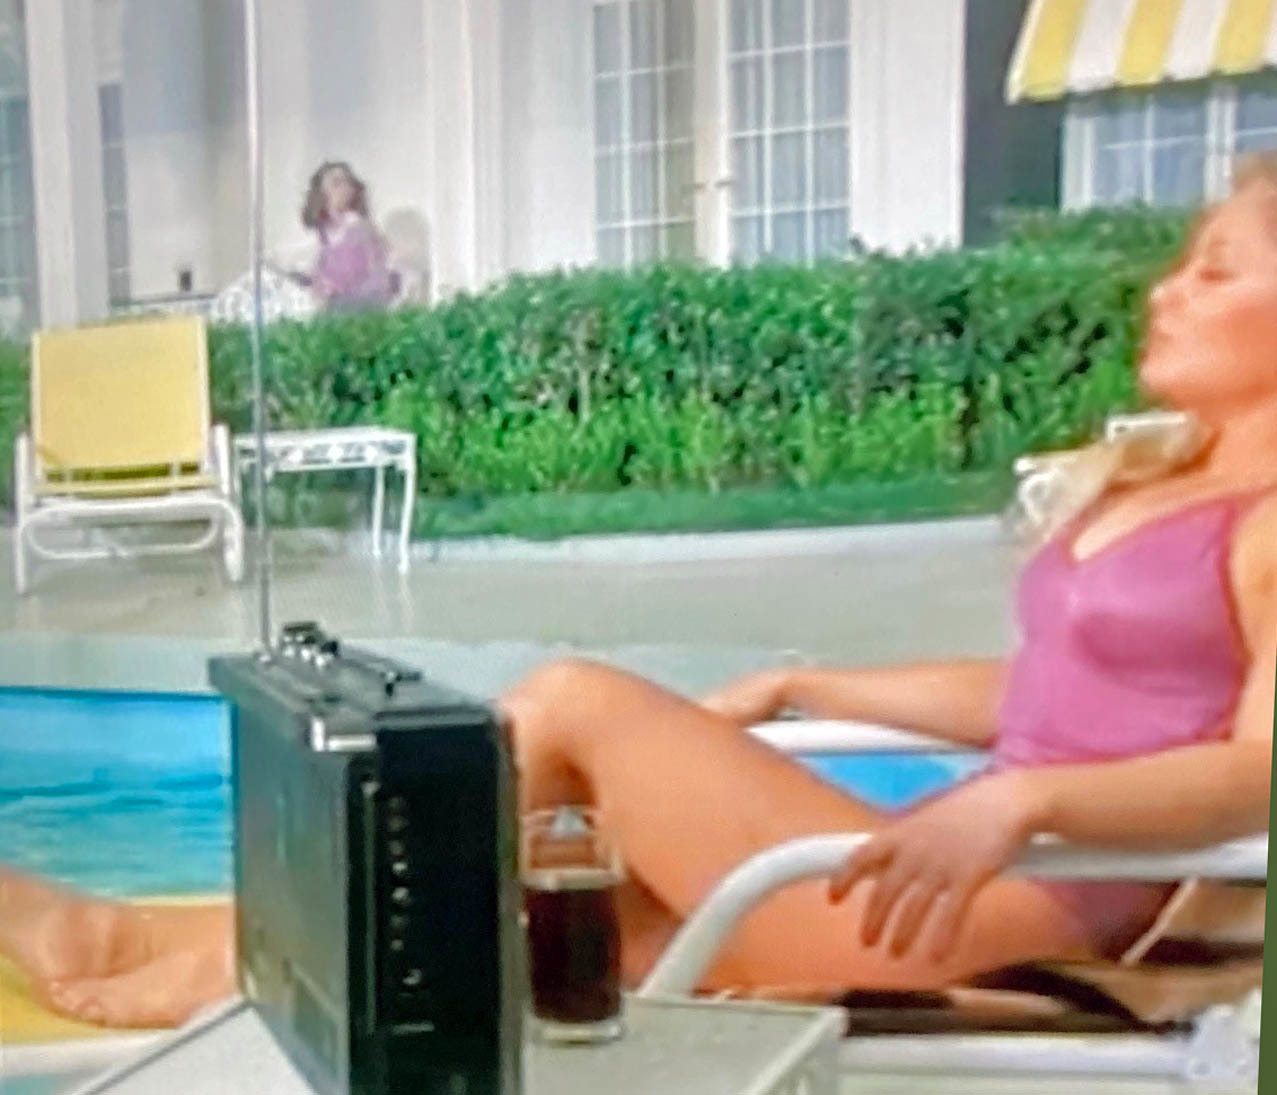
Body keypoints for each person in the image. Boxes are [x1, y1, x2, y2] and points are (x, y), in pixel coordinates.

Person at [3, 158, 1276, 1030]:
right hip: (947, 868)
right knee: (564, 922)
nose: (1162, 291)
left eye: (1214, 272)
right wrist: (804, 681)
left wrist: (1025, 799)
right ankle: (191, 953)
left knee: (572, 704)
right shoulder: (1176, 484)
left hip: (1015, 913)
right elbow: (1055, 695)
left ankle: (202, 955)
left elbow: (1257, 770)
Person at [293, 161, 395, 312]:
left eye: (347, 182)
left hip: (358, 310)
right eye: (336, 183)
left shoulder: (360, 229)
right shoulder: (322, 234)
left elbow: (376, 280)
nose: (344, 188)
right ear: (321, 192)